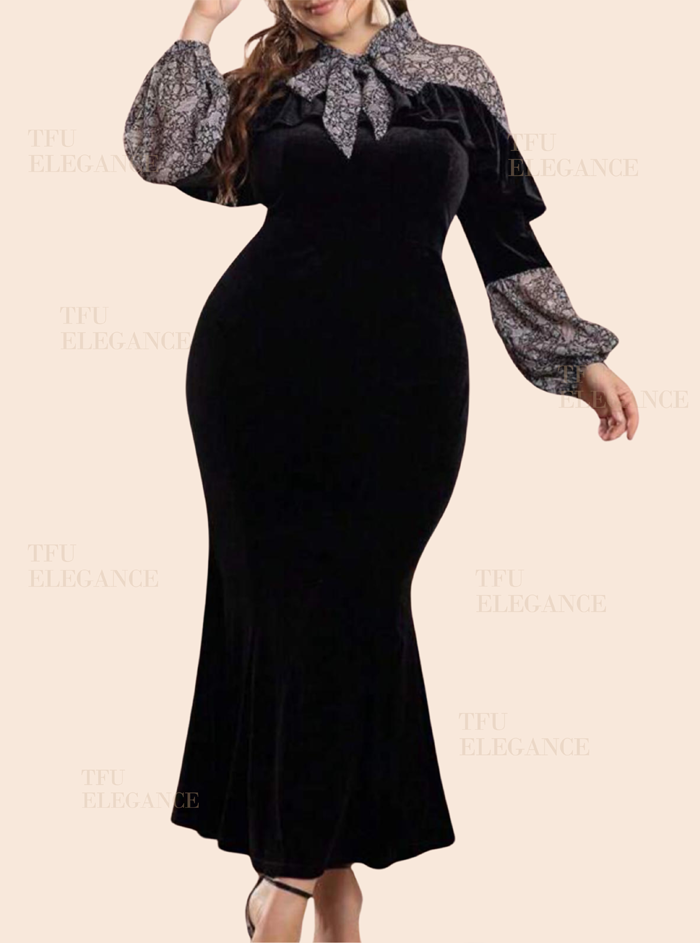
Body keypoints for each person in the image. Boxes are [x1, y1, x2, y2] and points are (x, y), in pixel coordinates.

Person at [124, 1, 639, 939]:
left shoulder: (458, 76)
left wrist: (577, 359)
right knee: (289, 616)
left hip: (407, 388)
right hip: (258, 380)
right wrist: (199, 24)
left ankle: (296, 875)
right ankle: (312, 882)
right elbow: (163, 154)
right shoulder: (263, 87)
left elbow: (503, 233)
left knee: (357, 602)